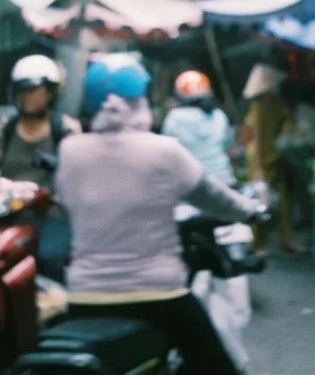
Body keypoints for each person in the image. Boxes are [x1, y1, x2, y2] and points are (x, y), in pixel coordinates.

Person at [56, 53, 265, 375]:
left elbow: (67, 203)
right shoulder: (164, 150)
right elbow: (215, 198)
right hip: (159, 294)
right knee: (217, 368)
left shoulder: (69, 151)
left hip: (85, 297)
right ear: (140, 100)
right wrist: (252, 212)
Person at [0, 54, 81, 281]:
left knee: (49, 258)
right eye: (23, 90)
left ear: (51, 92)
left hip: (51, 218)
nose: (28, 96)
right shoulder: (6, 129)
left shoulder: (65, 129)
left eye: (35, 90)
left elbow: (78, 178)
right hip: (10, 215)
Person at [240, 63, 302, 256]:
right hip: (263, 161)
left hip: (268, 160)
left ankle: (279, 240)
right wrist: (258, 165)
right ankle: (262, 243)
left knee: (276, 202)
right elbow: (256, 138)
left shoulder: (265, 106)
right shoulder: (263, 107)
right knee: (263, 203)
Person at [162, 70, 236, 186]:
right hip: (225, 180)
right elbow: (228, 146)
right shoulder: (219, 115)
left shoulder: (175, 117)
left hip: (194, 184)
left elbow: (167, 151)